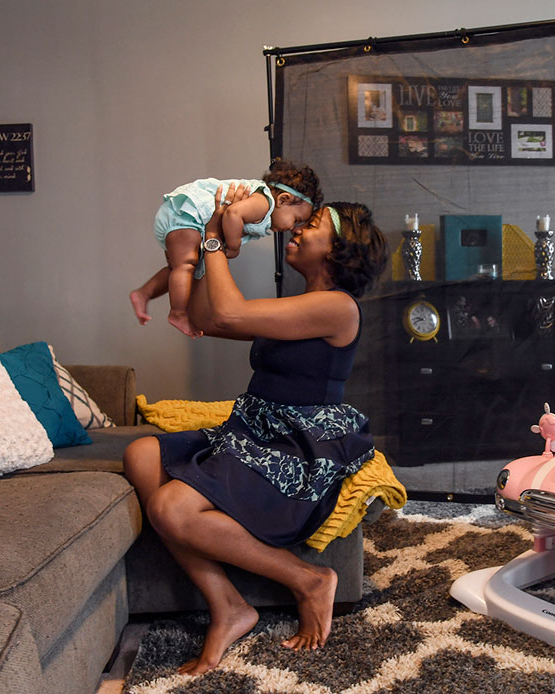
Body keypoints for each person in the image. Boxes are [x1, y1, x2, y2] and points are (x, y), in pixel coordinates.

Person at [123, 185, 388, 676]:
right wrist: (211, 241)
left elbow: (227, 312)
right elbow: (206, 317)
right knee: (141, 454)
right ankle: (227, 605)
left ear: (338, 249)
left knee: (169, 506)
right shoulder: (296, 302)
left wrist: (217, 235)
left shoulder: (337, 307)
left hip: (293, 448)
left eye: (314, 225)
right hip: (253, 430)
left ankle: (309, 579)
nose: (298, 227)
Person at [129, 160, 323, 337]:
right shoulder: (264, 203)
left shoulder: (265, 204)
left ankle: (144, 293)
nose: (292, 227)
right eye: (296, 219)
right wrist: (233, 245)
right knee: (186, 265)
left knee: (181, 268)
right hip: (189, 215)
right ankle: (178, 313)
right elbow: (232, 213)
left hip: (187, 218)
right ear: (282, 199)